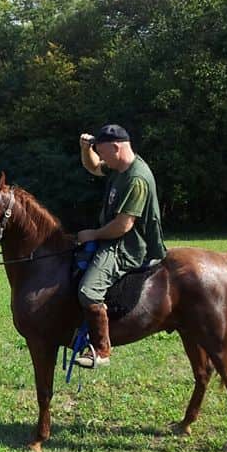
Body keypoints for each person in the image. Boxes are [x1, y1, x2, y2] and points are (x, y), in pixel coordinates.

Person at [74, 124, 167, 368]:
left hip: (129, 246)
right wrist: (87, 149)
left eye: (103, 153)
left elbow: (123, 225)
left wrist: (92, 234)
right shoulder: (120, 167)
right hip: (114, 237)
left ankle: (101, 349)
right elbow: (93, 167)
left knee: (88, 291)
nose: (102, 158)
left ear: (116, 148)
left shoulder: (136, 178)